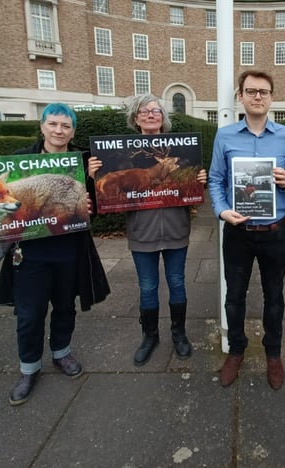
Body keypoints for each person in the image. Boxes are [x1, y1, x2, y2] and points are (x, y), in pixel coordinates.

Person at [0, 103, 111, 406]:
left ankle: (61, 352)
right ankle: (28, 369)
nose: (59, 131)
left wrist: (92, 194)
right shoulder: (19, 161)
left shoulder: (84, 160)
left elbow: (95, 206)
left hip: (69, 248)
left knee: (65, 306)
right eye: (53, 124)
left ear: (73, 131)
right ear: (42, 126)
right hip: (28, 252)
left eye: (66, 126)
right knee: (29, 314)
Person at [88, 95, 206, 366]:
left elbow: (193, 191)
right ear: (135, 118)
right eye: (144, 111)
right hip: (142, 232)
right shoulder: (121, 154)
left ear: (163, 118)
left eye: (156, 111)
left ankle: (179, 333)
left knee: (177, 282)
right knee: (148, 286)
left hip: (176, 230)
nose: (151, 115)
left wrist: (202, 179)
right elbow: (101, 199)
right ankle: (149, 336)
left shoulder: (179, 148)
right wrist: (92, 176)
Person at [208, 70, 285, 390]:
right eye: (251, 91)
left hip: (274, 231)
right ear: (241, 97)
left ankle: (273, 353)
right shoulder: (225, 135)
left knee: (274, 297)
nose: (257, 96)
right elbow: (216, 180)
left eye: (263, 91)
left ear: (272, 97)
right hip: (238, 232)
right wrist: (221, 211)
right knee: (234, 297)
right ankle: (236, 350)